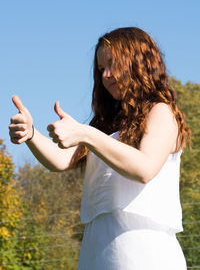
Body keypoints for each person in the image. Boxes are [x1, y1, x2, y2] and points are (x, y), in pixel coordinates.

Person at [9, 27, 191, 270]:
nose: (105, 74)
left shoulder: (161, 112)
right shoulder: (105, 124)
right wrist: (31, 134)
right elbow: (61, 160)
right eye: (100, 68)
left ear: (138, 61)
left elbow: (144, 168)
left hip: (143, 250)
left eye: (112, 63)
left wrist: (86, 134)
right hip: (95, 248)